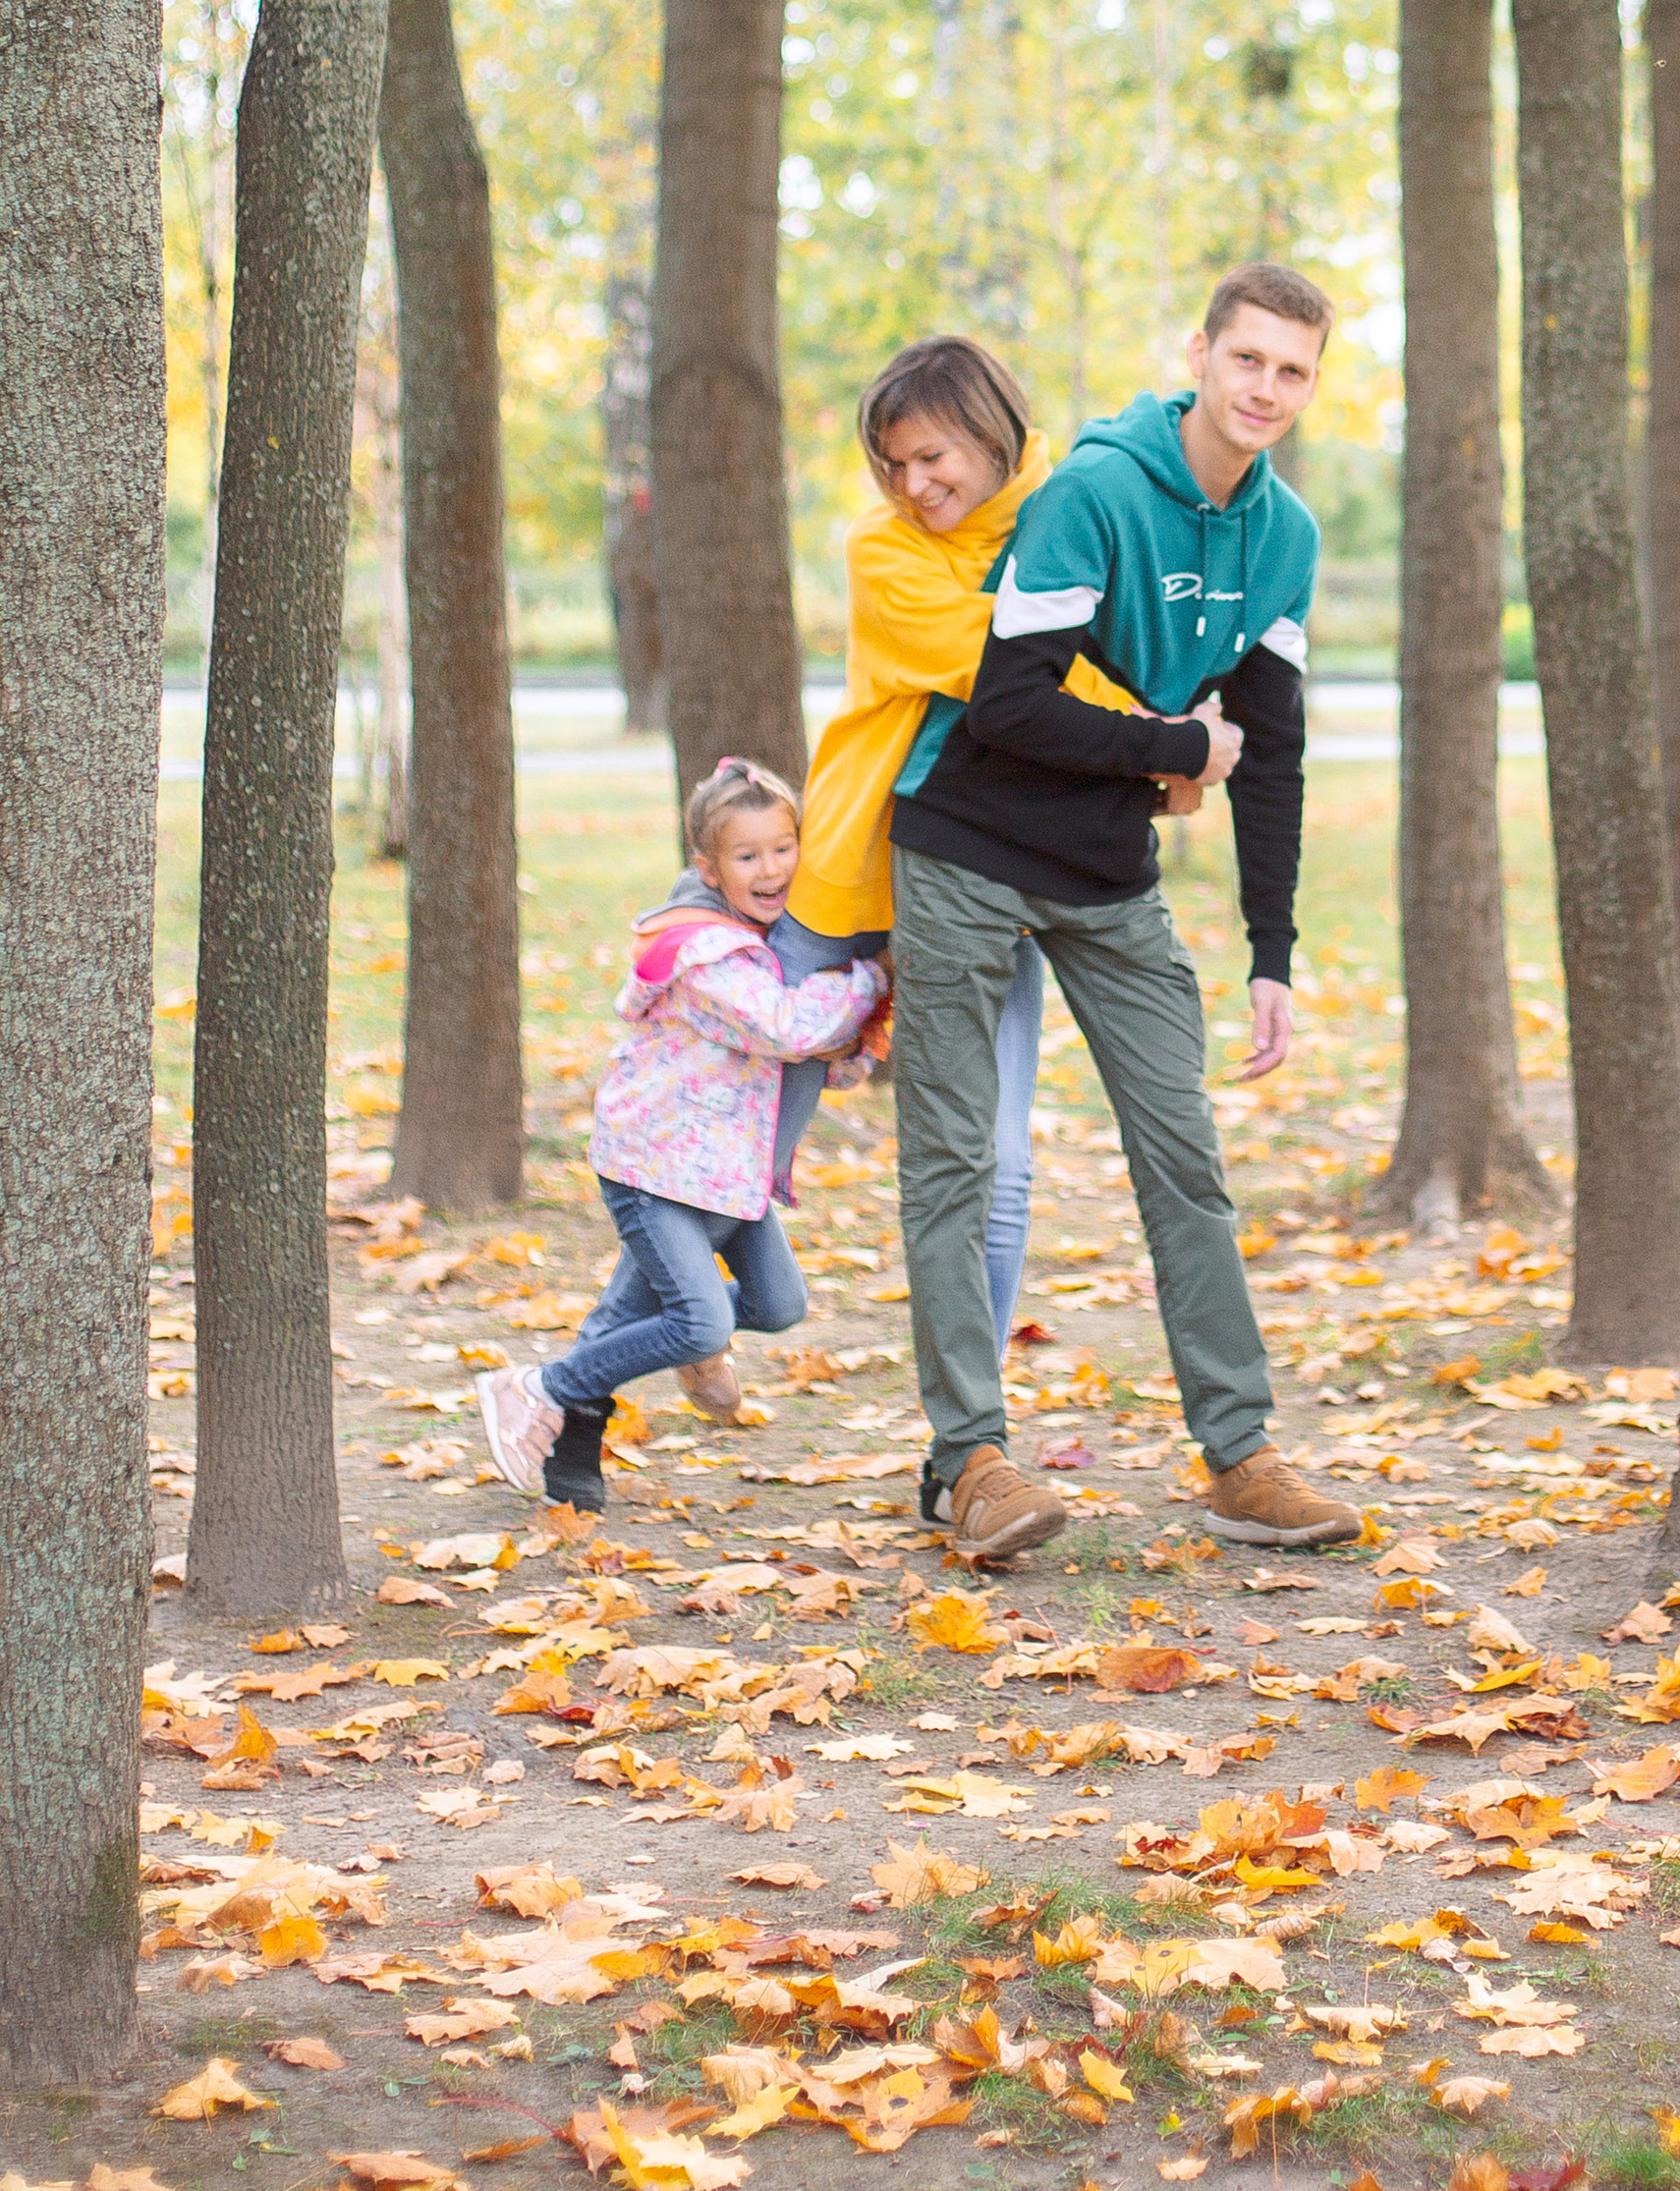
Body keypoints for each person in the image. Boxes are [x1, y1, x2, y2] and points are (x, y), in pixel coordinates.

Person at [886, 258, 1362, 1567]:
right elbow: (1007, 705)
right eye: (1248, 359)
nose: (1266, 388)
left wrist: (1273, 949)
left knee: (1184, 1160)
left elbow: (1269, 747)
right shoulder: (1096, 490)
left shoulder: (1288, 540)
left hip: (1106, 874)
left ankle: (1240, 1453)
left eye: (1293, 370)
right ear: (1201, 354)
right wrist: (1171, 745)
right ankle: (970, 1463)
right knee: (952, 1160)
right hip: (967, 846)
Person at [780, 335, 1143, 1345]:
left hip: (992, 877)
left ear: (994, 432)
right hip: (853, 879)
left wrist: (1138, 727)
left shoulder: (1076, 516)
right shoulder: (883, 548)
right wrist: (1158, 740)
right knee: (732, 1143)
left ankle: (973, 1425)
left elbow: (1121, 646)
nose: (911, 484)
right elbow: (1002, 670)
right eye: (893, 464)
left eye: (932, 456)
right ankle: (649, 1338)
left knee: (1001, 1160)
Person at [476, 759, 888, 1507]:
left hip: (729, 1178)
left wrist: (847, 1046)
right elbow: (785, 1028)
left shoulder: (768, 944)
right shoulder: (703, 952)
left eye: (782, 847)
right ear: (708, 865)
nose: (771, 870)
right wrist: (874, 979)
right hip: (656, 1170)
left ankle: (614, 1379)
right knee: (696, 1321)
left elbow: (810, 1057)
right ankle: (542, 1389)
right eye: (747, 855)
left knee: (776, 1306)